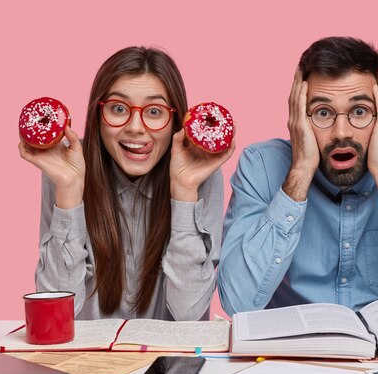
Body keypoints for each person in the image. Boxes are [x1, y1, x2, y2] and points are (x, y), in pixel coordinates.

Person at [217, 36, 378, 316]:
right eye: (323, 112)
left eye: (360, 111)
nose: (342, 132)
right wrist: (300, 172)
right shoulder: (261, 167)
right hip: (295, 355)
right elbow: (236, 303)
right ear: (297, 116)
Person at [19, 46, 234, 320]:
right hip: (88, 362)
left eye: (154, 111)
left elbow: (188, 314)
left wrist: (184, 192)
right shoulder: (65, 167)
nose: (135, 126)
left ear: (175, 121)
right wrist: (70, 192)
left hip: (168, 363)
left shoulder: (199, 171)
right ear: (98, 115)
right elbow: (56, 313)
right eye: (119, 108)